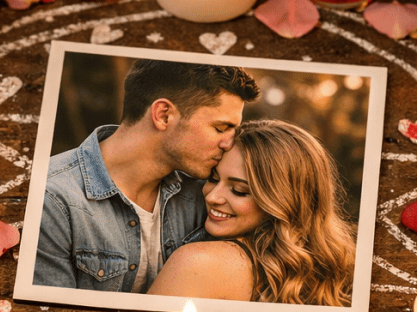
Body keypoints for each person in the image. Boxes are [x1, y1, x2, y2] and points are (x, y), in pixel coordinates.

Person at [33, 59, 260, 293]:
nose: (229, 143)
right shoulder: (52, 197)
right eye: (221, 128)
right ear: (163, 115)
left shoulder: (208, 193)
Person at [148, 119, 357, 306]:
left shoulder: (197, 263)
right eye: (213, 178)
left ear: (281, 202)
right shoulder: (322, 271)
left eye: (239, 191)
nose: (212, 197)